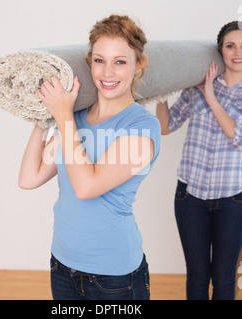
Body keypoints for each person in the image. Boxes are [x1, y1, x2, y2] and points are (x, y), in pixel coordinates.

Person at [19, 14, 161, 300]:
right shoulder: (74, 118)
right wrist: (41, 118)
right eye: (99, 60)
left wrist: (62, 116)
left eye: (120, 61)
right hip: (62, 264)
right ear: (89, 63)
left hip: (113, 276)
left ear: (138, 66)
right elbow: (29, 178)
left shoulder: (142, 127)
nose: (108, 73)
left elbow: (86, 187)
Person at [156, 21, 242, 300]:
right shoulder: (196, 87)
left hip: (231, 201)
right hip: (190, 197)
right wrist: (160, 89)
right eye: (230, 45)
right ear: (221, 51)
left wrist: (211, 97)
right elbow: (166, 125)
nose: (238, 52)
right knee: (197, 276)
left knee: (223, 279)